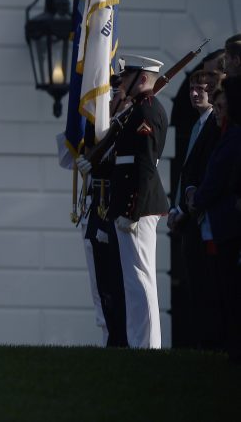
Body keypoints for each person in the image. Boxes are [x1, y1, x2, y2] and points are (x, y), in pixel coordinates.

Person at [106, 53, 169, 349]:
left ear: (142, 79)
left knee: (141, 278)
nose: (122, 83)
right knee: (134, 280)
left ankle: (147, 345)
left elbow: (145, 166)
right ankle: (139, 343)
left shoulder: (146, 113)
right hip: (132, 204)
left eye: (127, 77)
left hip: (138, 207)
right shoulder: (137, 111)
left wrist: (131, 210)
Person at [167, 70, 222, 348]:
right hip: (188, 216)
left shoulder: (213, 124)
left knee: (205, 288)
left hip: (201, 218)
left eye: (203, 88)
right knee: (194, 286)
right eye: (192, 88)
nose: (196, 93)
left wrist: (186, 209)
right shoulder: (198, 124)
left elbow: (203, 173)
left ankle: (209, 346)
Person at [189, 78, 241, 363]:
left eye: (222, 106)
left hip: (226, 225)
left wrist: (197, 200)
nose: (218, 111)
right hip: (217, 224)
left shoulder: (233, 137)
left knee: (228, 291)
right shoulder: (226, 135)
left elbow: (217, 178)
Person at [81, 77, 128, 347]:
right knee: (100, 280)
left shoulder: (128, 121)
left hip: (114, 205)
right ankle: (108, 333)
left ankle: (119, 335)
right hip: (96, 206)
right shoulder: (100, 122)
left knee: (119, 277)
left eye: (115, 92)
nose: (110, 97)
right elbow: (91, 147)